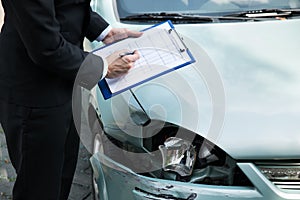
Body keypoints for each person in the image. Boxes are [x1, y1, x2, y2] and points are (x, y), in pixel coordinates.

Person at [0, 0, 142, 199]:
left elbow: (66, 6)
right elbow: (46, 47)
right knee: (38, 188)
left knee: (61, 181)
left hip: (66, 84)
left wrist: (104, 31)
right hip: (34, 96)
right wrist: (104, 67)